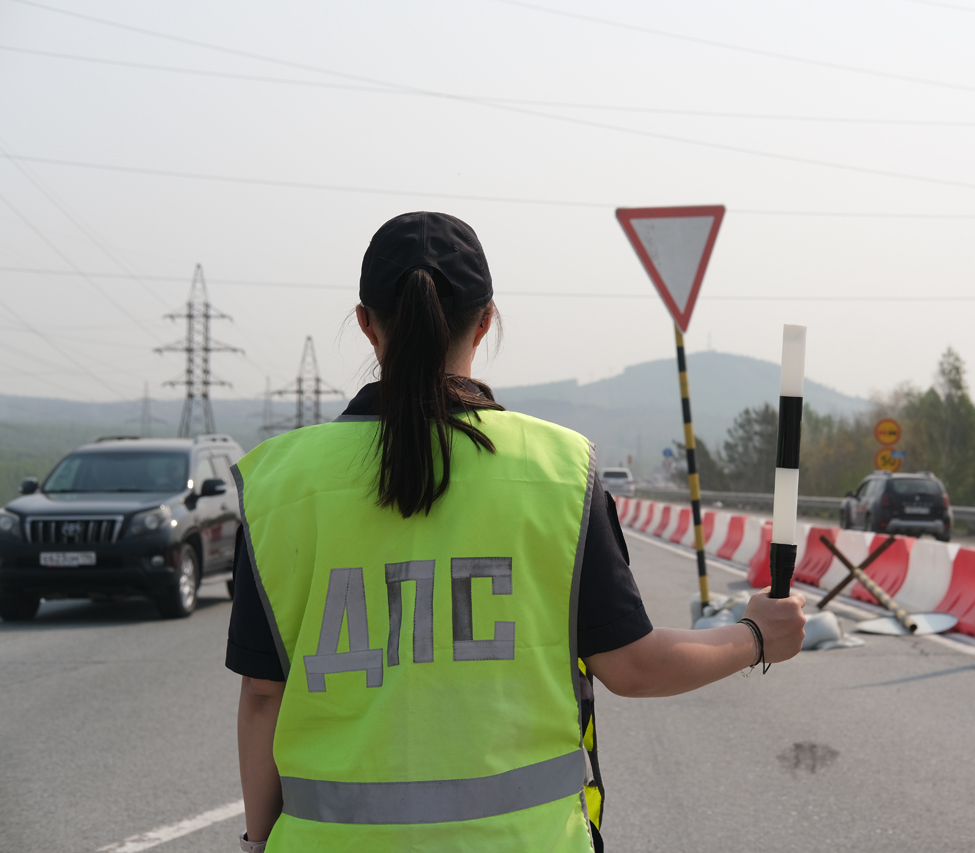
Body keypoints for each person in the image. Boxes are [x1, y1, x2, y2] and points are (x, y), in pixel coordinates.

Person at [225, 211, 807, 853]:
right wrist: (754, 636)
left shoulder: (278, 482)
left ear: (366, 323)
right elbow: (635, 667)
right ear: (486, 320)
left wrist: (257, 842)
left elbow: (261, 697)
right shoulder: (559, 469)